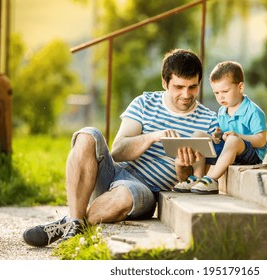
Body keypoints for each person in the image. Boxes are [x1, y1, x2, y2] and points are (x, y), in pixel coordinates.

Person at [22, 49, 218, 247]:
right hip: (113, 173)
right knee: (87, 135)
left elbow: (193, 181)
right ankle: (74, 221)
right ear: (164, 83)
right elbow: (118, 151)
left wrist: (182, 168)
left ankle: (70, 223)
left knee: (125, 194)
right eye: (179, 87)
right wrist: (152, 137)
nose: (186, 95)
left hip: (144, 191)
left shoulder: (209, 121)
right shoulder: (144, 103)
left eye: (192, 87)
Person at [173, 61, 267, 194]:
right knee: (199, 135)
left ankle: (211, 179)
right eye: (216, 93)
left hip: (250, 154)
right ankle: (198, 177)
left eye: (225, 91)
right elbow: (224, 136)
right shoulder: (223, 111)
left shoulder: (253, 111)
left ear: (240, 87)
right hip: (229, 149)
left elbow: (261, 140)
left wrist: (237, 136)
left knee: (233, 141)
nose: (220, 96)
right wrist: (217, 136)